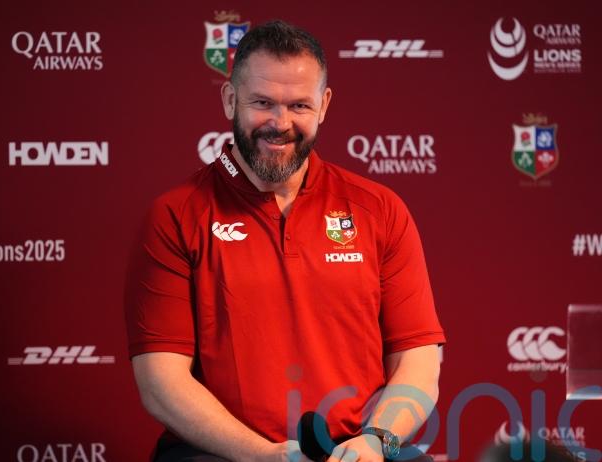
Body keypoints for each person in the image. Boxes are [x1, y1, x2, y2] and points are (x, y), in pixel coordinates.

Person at [125, 20, 445, 462]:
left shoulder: (380, 209)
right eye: (262, 103)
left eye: (299, 105)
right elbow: (160, 382)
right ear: (230, 99)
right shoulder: (175, 215)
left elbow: (417, 360)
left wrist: (375, 440)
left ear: (324, 105)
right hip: (224, 454)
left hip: (357, 449)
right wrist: (261, 455)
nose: (280, 123)